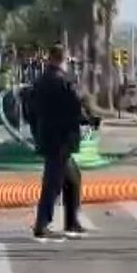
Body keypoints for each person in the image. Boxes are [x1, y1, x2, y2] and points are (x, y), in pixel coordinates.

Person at [29, 45, 97, 241]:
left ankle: (71, 222)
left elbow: (30, 110)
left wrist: (36, 132)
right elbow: (75, 106)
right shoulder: (63, 82)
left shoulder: (40, 81)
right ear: (62, 60)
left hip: (48, 136)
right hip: (61, 139)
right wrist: (90, 120)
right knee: (52, 183)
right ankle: (41, 224)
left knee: (72, 179)